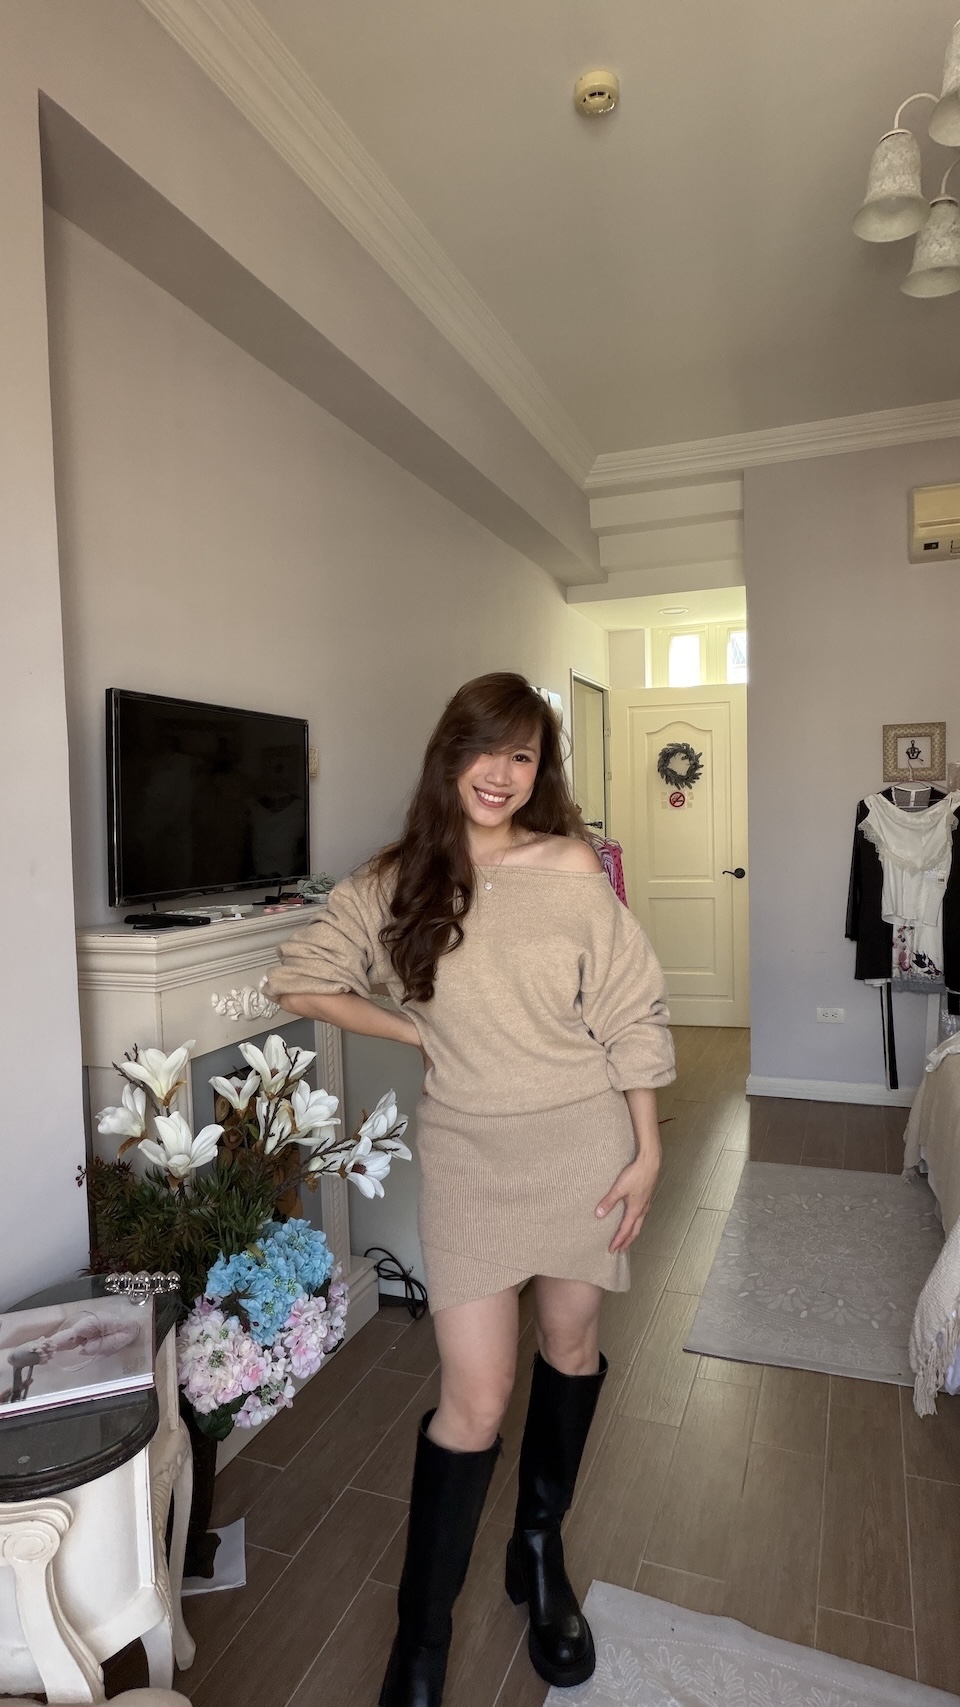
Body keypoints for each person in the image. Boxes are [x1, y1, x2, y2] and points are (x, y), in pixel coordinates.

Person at [265, 672, 675, 1707]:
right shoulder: (395, 879)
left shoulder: (570, 862)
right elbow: (300, 978)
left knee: (570, 1349)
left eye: (524, 755)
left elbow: (629, 1005)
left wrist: (646, 1148)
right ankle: (422, 1638)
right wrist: (417, 1028)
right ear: (449, 752)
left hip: (584, 1142)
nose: (502, 773)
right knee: (476, 1398)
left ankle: (538, 1550)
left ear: (541, 771)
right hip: (468, 1158)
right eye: (486, 749)